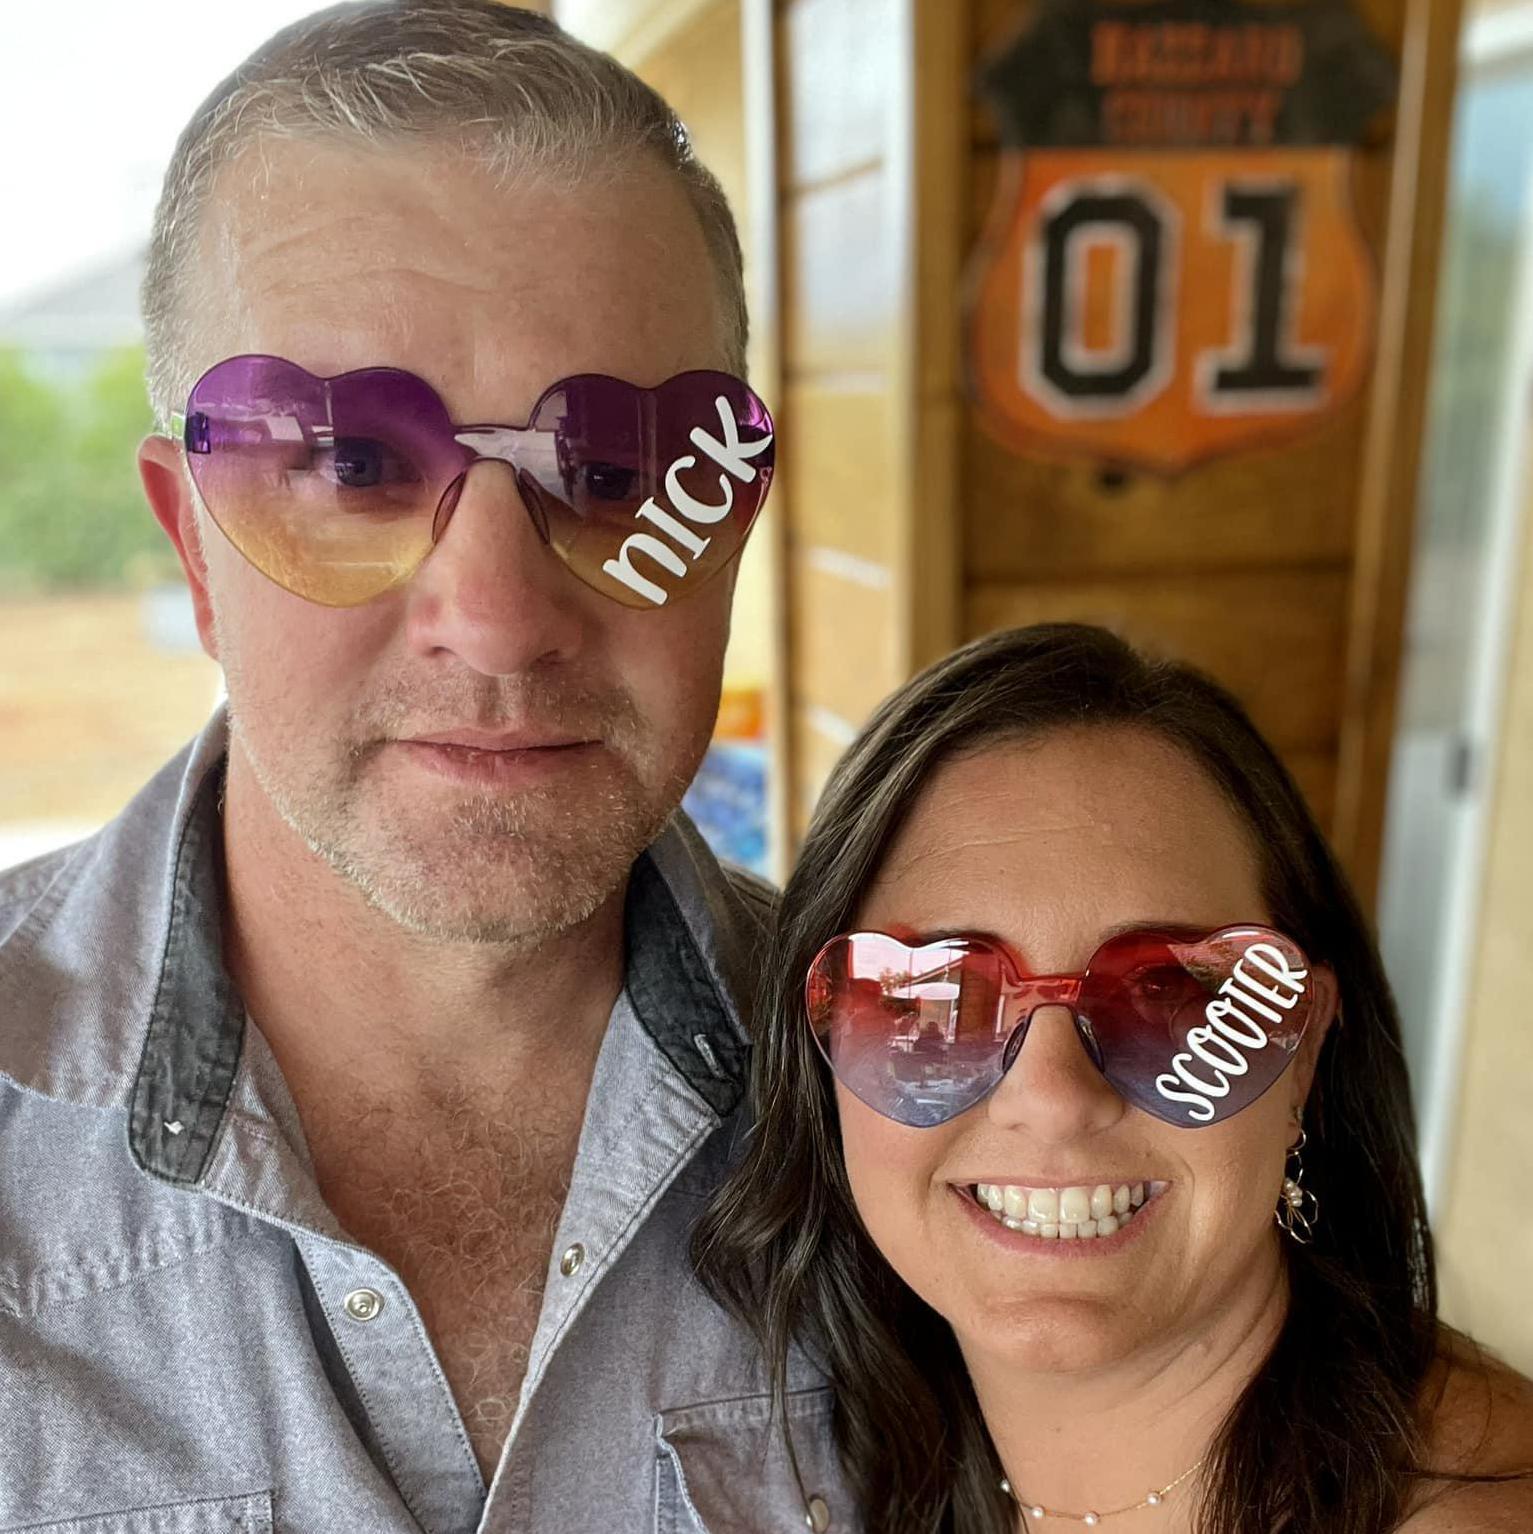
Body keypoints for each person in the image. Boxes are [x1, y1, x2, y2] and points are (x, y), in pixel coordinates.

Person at [0, 5, 853, 1531]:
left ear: (727, 525)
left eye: (613, 469)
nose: (501, 620)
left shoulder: (931, 1106)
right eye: (351, 462)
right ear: (192, 542)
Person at [696, 623, 1533, 1533]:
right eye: (938, 996)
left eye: (1167, 993)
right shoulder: (855, 1471)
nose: (1053, 1098)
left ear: (1302, 1057)